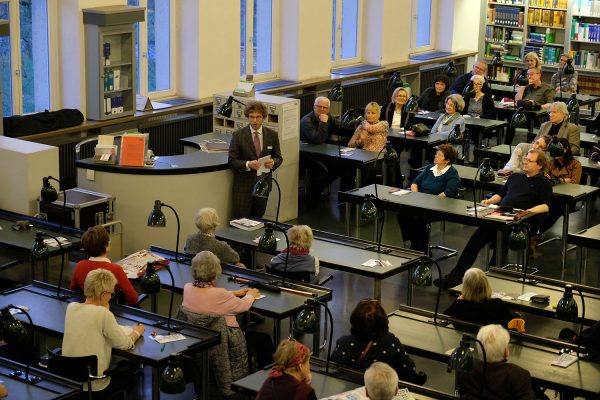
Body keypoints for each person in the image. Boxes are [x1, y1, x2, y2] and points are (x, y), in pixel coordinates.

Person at [435, 149, 552, 289]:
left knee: (502, 240)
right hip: (499, 216)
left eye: (529, 160)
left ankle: (492, 277)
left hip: (518, 222)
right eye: (525, 159)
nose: (525, 162)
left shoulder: (543, 183)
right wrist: (490, 201)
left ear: (539, 165)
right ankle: (456, 276)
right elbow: (501, 195)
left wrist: (525, 212)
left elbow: (545, 206)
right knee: (475, 239)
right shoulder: (515, 177)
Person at [181, 251, 273, 368]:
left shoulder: (188, 288)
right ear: (216, 271)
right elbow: (243, 306)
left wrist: (232, 293)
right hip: (226, 341)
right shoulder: (220, 295)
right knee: (264, 340)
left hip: (199, 337)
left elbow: (208, 296)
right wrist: (251, 294)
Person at [63, 269, 145, 394]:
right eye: (111, 294)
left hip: (71, 381)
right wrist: (137, 331)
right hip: (95, 385)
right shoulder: (103, 314)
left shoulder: (71, 307)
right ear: (103, 295)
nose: (111, 297)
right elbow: (125, 344)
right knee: (132, 375)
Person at [331, 299, 427, 385]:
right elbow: (408, 371)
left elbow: (332, 367)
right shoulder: (391, 343)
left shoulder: (342, 344)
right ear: (383, 320)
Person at [397, 144, 460, 252]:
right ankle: (416, 243)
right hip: (421, 201)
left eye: (439, 155)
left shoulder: (452, 173)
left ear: (447, 160)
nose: (435, 156)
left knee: (417, 219)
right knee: (402, 215)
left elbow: (449, 192)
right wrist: (417, 195)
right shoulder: (429, 168)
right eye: (436, 153)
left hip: (438, 206)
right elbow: (415, 183)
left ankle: (423, 251)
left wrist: (430, 201)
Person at [228, 100, 283, 218]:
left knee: (258, 220)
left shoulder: (272, 135)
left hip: (264, 184)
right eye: (251, 117)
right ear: (247, 117)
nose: (254, 120)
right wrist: (248, 164)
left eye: (258, 117)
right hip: (243, 186)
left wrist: (273, 162)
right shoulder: (238, 135)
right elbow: (232, 160)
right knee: (240, 221)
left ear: (263, 118)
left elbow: (279, 157)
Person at [456, 324, 536, 400]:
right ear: (506, 352)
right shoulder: (519, 375)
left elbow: (461, 392)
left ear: (478, 348)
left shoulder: (465, 366)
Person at [70, 225, 139, 305]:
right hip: (110, 310)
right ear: (105, 246)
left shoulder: (80, 266)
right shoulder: (115, 269)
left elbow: (73, 290)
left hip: (87, 307)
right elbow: (133, 298)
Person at [537, 137, 582, 236]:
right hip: (550, 194)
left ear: (565, 149)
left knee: (555, 209)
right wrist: (565, 180)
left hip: (566, 198)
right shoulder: (551, 163)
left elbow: (574, 183)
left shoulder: (575, 165)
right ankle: (532, 233)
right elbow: (545, 178)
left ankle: (536, 235)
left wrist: (557, 180)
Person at [300, 96, 340, 201]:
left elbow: (339, 128)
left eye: (325, 108)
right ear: (314, 107)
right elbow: (318, 139)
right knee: (321, 170)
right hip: (305, 156)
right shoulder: (306, 121)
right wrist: (323, 123)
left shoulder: (328, 117)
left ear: (328, 109)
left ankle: (316, 191)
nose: (322, 109)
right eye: (319, 106)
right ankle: (310, 196)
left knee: (338, 166)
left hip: (321, 153)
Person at [444, 268, 514, 327]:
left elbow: (444, 318)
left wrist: (459, 300)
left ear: (465, 287)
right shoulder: (497, 304)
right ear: (486, 284)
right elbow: (511, 322)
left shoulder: (459, 305)